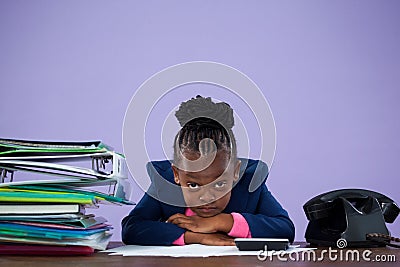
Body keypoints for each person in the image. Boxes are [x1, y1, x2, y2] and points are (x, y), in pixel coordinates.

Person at [122, 95, 295, 246]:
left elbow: (285, 229)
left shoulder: (249, 183)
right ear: (176, 174)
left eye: (219, 183)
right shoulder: (165, 184)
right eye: (193, 185)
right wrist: (194, 236)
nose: (207, 197)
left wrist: (222, 221)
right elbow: (132, 228)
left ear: (236, 172)